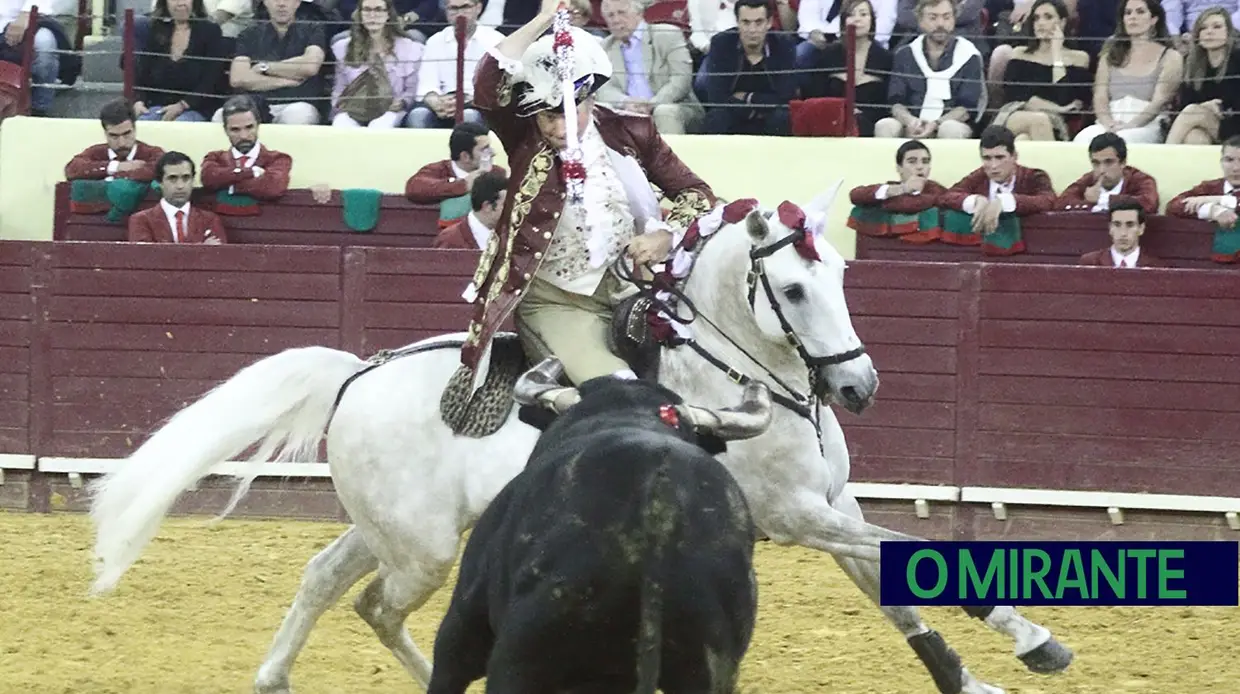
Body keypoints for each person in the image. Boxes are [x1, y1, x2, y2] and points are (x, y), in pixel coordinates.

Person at [460, 0, 717, 387]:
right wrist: (543, 19)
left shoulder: (632, 131)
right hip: (556, 300)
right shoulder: (524, 136)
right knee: (618, 389)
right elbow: (487, 81)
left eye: (571, 112)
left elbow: (697, 194)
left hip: (633, 293)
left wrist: (667, 234)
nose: (561, 128)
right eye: (549, 116)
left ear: (592, 101)